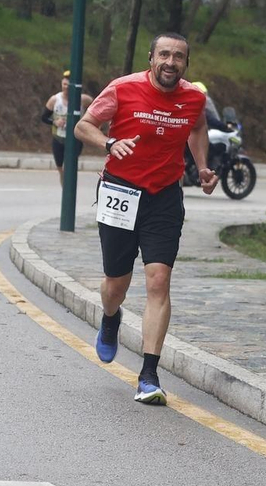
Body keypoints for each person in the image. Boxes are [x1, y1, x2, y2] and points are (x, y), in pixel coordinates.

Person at [75, 32, 217, 405]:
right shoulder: (123, 89)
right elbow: (83, 125)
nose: (171, 62)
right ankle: (110, 318)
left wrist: (201, 166)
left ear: (187, 64)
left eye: (179, 57)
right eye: (165, 55)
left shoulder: (194, 97)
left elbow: (198, 127)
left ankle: (149, 374)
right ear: (151, 58)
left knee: (159, 280)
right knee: (115, 284)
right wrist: (108, 143)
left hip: (164, 197)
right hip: (121, 192)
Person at [43, 71, 94, 182]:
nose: (66, 88)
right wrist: (55, 122)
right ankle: (65, 193)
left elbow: (96, 108)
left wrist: (89, 121)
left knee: (69, 167)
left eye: (68, 85)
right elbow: (44, 117)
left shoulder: (83, 99)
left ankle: (69, 192)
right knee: (60, 168)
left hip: (75, 139)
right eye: (64, 85)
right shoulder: (55, 100)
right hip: (59, 139)